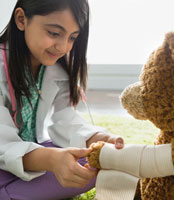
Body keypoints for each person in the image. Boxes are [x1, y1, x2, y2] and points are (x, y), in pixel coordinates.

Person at [0, 0, 124, 199]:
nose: (63, 47)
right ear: (21, 19)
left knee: (93, 167)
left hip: (30, 152)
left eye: (72, 37)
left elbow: (65, 118)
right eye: (54, 33)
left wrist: (100, 140)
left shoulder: (56, 67)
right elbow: (2, 142)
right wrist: (51, 159)